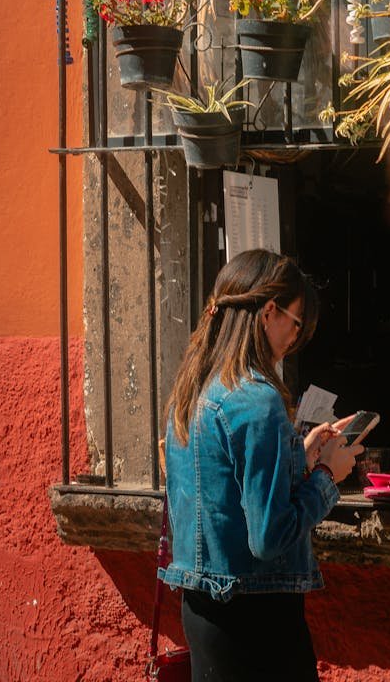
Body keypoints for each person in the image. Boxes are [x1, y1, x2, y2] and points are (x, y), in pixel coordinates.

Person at [160, 248, 363, 682]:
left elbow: (223, 493)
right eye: (296, 322)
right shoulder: (257, 399)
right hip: (257, 621)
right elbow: (268, 538)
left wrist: (300, 454)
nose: (296, 336)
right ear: (269, 311)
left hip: (203, 611)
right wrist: (328, 476)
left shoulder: (193, 391)